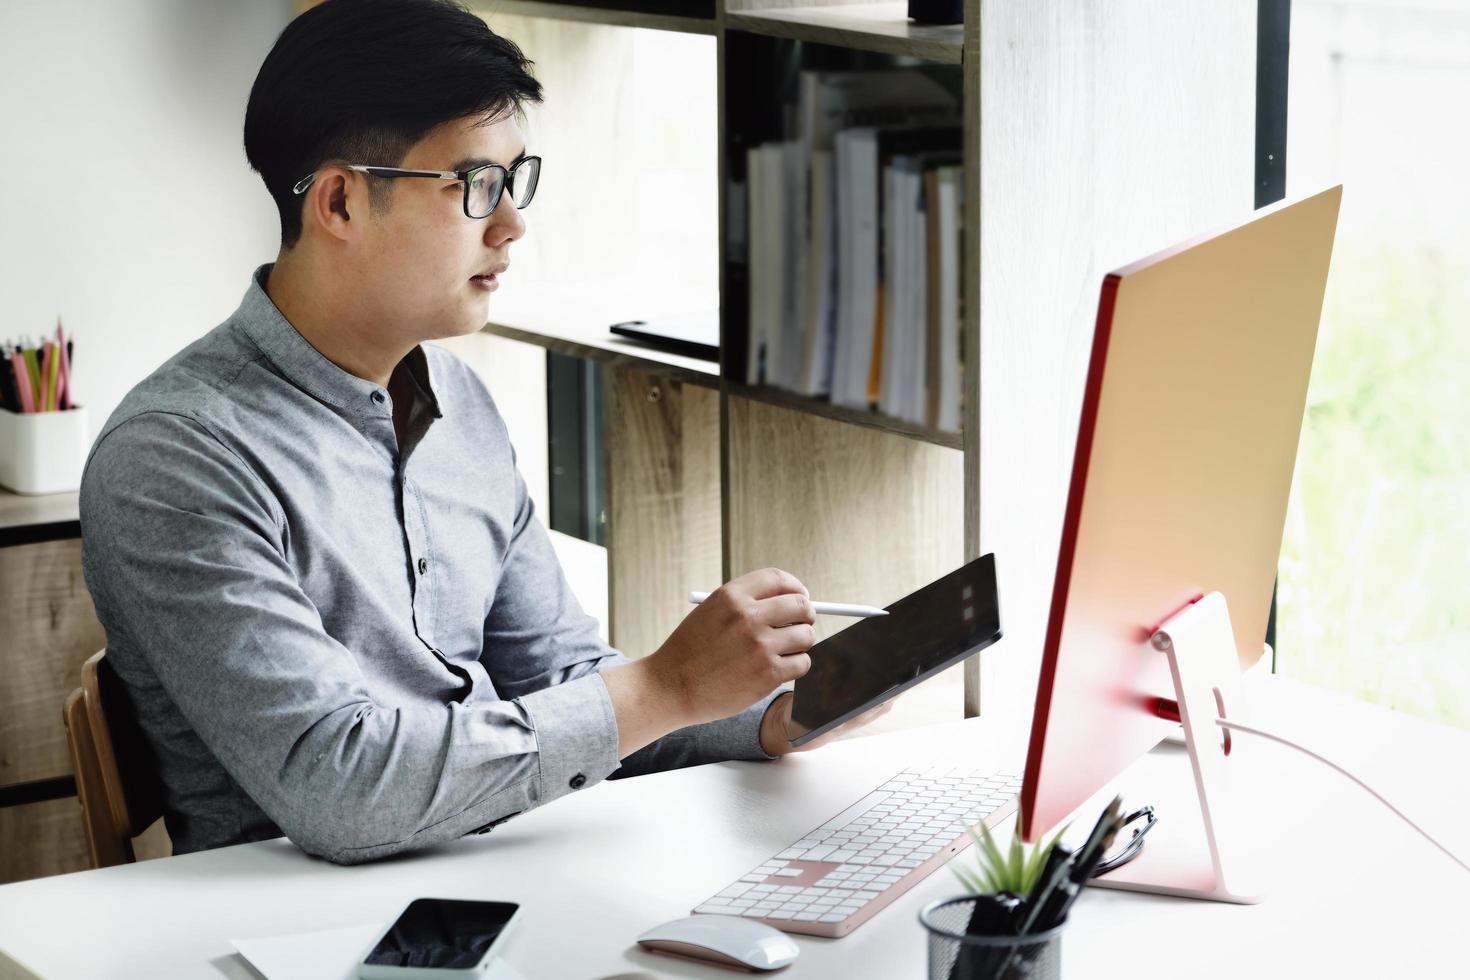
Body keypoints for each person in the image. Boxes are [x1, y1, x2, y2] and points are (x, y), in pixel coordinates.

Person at [78, 0, 887, 866]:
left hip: (491, 871)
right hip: (283, 924)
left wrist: (759, 717)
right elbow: (336, 787)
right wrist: (664, 685)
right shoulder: (175, 458)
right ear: (342, 202)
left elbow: (558, 677)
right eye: (475, 186)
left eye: (515, 180)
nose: (511, 225)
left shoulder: (457, 400)